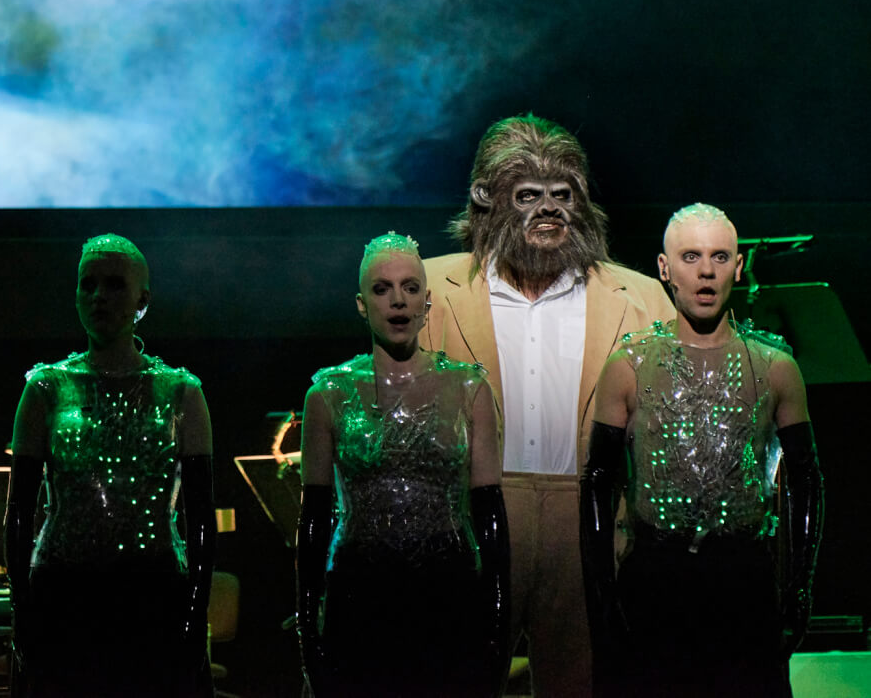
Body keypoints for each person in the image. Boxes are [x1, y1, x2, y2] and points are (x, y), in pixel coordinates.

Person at [422, 114, 673, 696]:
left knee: (582, 682)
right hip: (473, 517)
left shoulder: (639, 297)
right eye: (528, 196)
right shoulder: (428, 290)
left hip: (587, 516)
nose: (549, 210)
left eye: (561, 195)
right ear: (488, 199)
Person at [581, 204, 821, 697]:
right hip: (653, 583)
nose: (706, 271)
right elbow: (597, 483)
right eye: (690, 256)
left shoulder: (776, 368)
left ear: (738, 266)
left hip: (744, 585)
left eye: (718, 256)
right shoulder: (628, 365)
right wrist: (601, 590)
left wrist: (799, 587)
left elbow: (807, 480)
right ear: (664, 268)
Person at [297, 232, 508, 697]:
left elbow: (491, 514)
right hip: (359, 601)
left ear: (427, 302)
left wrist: (496, 621)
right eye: (382, 289)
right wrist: (309, 631)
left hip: (448, 600)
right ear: (360, 303)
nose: (398, 300)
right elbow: (312, 520)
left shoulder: (468, 389)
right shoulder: (328, 395)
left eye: (410, 288)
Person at [4, 234, 215, 698]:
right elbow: (18, 512)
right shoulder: (45, 389)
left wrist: (195, 614)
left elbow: (201, 517)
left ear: (143, 300)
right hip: (64, 597)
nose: (98, 295)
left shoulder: (180, 392)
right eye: (88, 284)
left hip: (152, 596)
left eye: (114, 285)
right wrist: (24, 610)